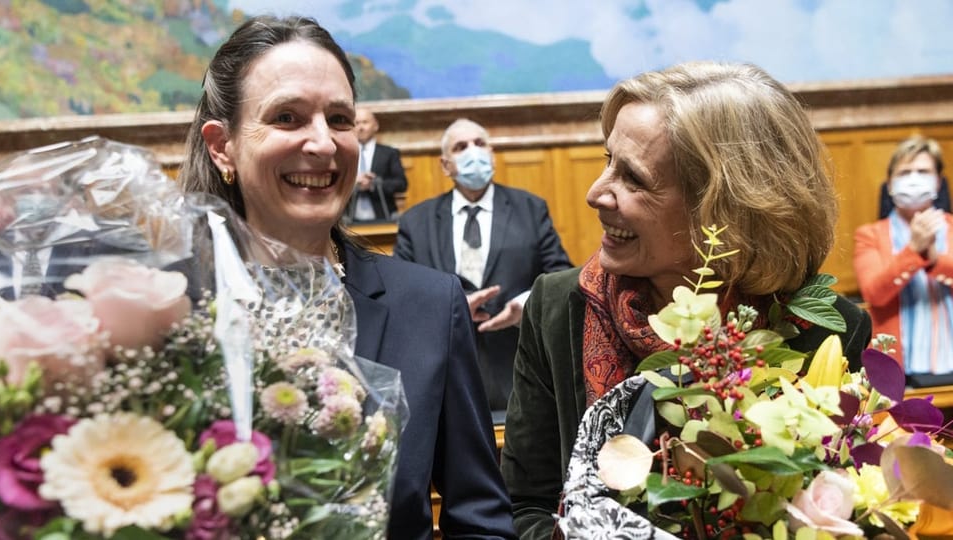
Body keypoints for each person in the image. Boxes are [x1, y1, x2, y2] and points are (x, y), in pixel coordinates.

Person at [499, 61, 873, 539]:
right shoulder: (557, 308)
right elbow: (522, 507)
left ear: (724, 208)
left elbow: (848, 499)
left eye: (633, 178)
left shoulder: (827, 330)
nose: (596, 193)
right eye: (606, 160)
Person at [178, 16, 515, 540]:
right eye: (287, 118)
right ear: (222, 146)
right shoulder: (165, 309)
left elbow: (480, 520)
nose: (322, 144)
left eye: (339, 119)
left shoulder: (428, 304)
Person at [393, 118, 572, 420]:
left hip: (518, 369)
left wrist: (526, 304)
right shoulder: (416, 222)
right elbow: (401, 294)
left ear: (492, 154)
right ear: (445, 164)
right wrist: (451, 307)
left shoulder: (530, 208)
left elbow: (560, 276)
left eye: (480, 143)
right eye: (461, 147)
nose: (473, 152)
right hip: (446, 374)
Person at [854, 135, 953, 376]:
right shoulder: (869, 235)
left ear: (938, 182)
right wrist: (913, 252)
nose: (914, 179)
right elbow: (874, 294)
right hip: (897, 367)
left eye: (922, 171)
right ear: (890, 184)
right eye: (905, 172)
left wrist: (933, 260)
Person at [347, 108, 408, 222]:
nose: (361, 127)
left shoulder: (389, 153)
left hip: (383, 216)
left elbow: (401, 184)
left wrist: (373, 184)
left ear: (375, 126)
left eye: (365, 122)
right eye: (356, 123)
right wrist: (353, 182)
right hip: (349, 219)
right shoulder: (345, 155)